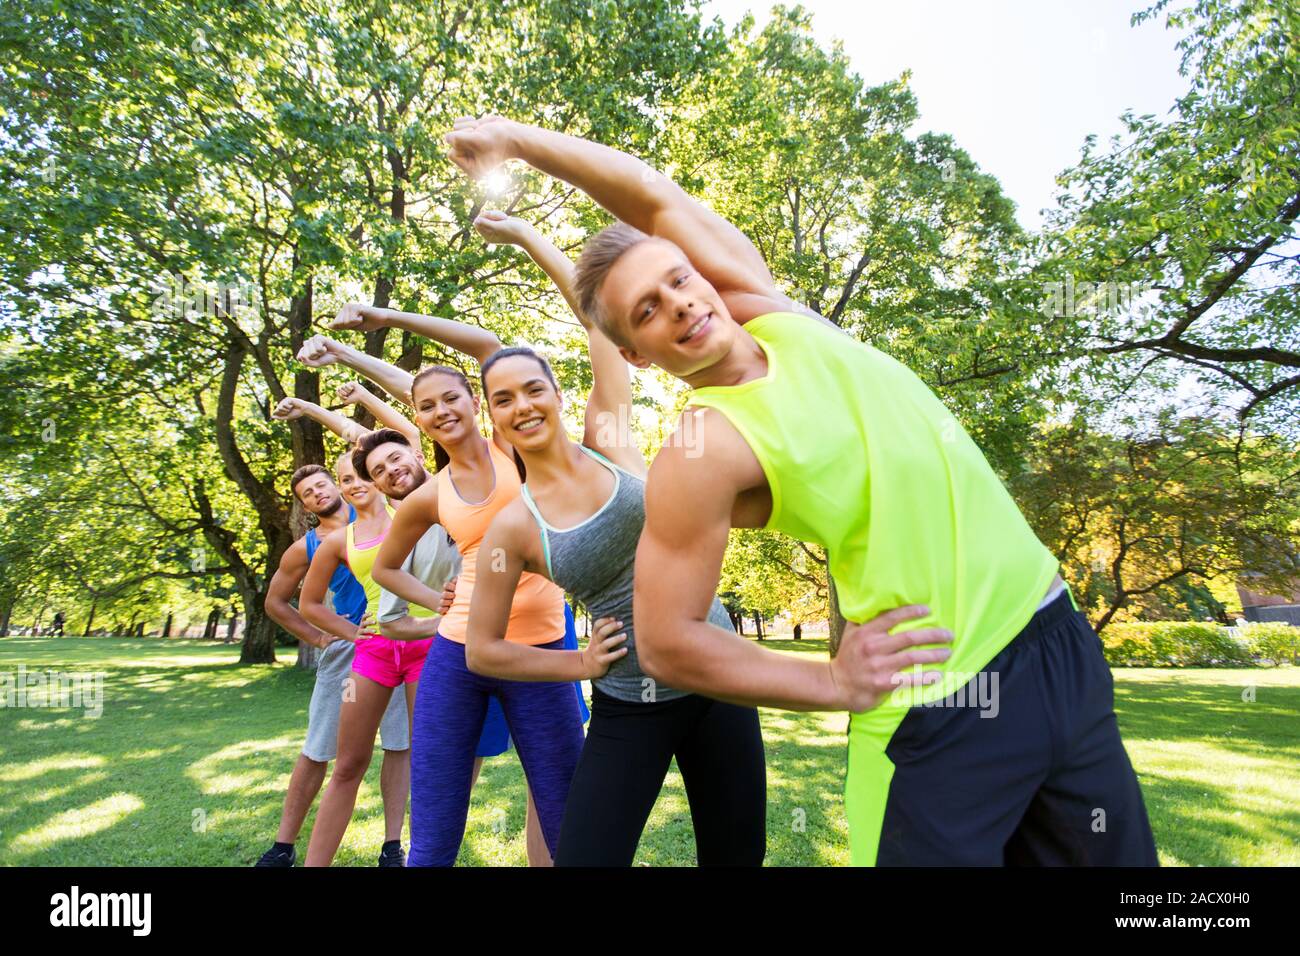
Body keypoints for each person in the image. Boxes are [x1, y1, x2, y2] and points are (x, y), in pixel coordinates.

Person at [445, 115, 1158, 867]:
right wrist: (833, 681)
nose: (679, 303)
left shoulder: (772, 311)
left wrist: (517, 141)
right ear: (635, 354)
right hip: (937, 699)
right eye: (648, 311)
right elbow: (664, 638)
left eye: (677, 280)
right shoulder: (702, 448)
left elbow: (651, 194)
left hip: (1057, 641)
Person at [256, 460, 412, 867]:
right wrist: (325, 637)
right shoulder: (309, 546)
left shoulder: (387, 515)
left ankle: (392, 846)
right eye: (308, 493)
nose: (318, 493)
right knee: (319, 749)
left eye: (323, 485)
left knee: (400, 743)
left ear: (341, 485)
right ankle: (283, 846)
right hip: (349, 648)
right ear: (305, 505)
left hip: (402, 638)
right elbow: (276, 602)